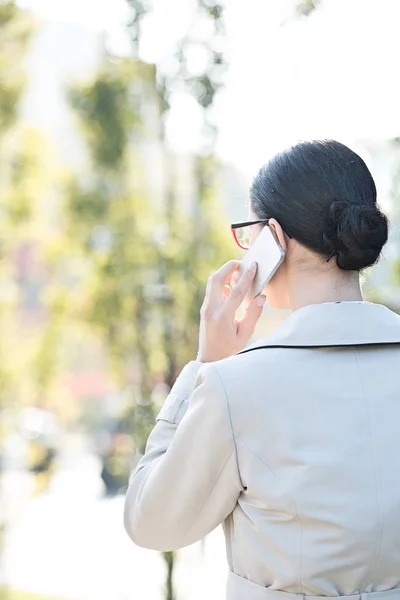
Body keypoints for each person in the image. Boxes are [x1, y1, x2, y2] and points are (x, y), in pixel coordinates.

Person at [124, 140, 400, 599]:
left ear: (274, 237)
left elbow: (150, 522)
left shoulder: (236, 387)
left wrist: (204, 365)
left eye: (250, 233)